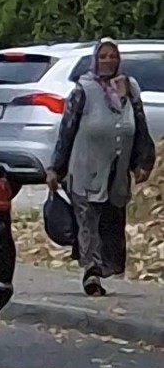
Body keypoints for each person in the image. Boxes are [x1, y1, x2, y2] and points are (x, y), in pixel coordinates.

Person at [47, 39, 155, 296]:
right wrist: (55, 168)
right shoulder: (82, 90)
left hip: (116, 171)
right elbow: (67, 129)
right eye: (103, 57)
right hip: (84, 169)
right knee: (88, 221)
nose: (108, 61)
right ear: (95, 60)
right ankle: (91, 272)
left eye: (112, 56)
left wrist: (143, 161)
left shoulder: (129, 88)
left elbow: (139, 123)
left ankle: (103, 266)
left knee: (110, 220)